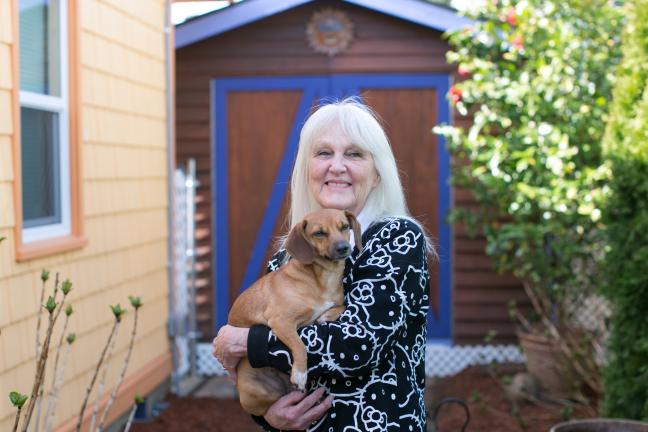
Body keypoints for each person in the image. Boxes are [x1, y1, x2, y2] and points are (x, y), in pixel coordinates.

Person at [213, 97, 433, 431]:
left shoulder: (396, 238)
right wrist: (269, 416)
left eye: (354, 153)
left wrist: (246, 341)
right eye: (324, 153)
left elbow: (357, 345)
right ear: (307, 170)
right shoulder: (289, 256)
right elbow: (269, 370)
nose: (337, 166)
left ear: (377, 174)